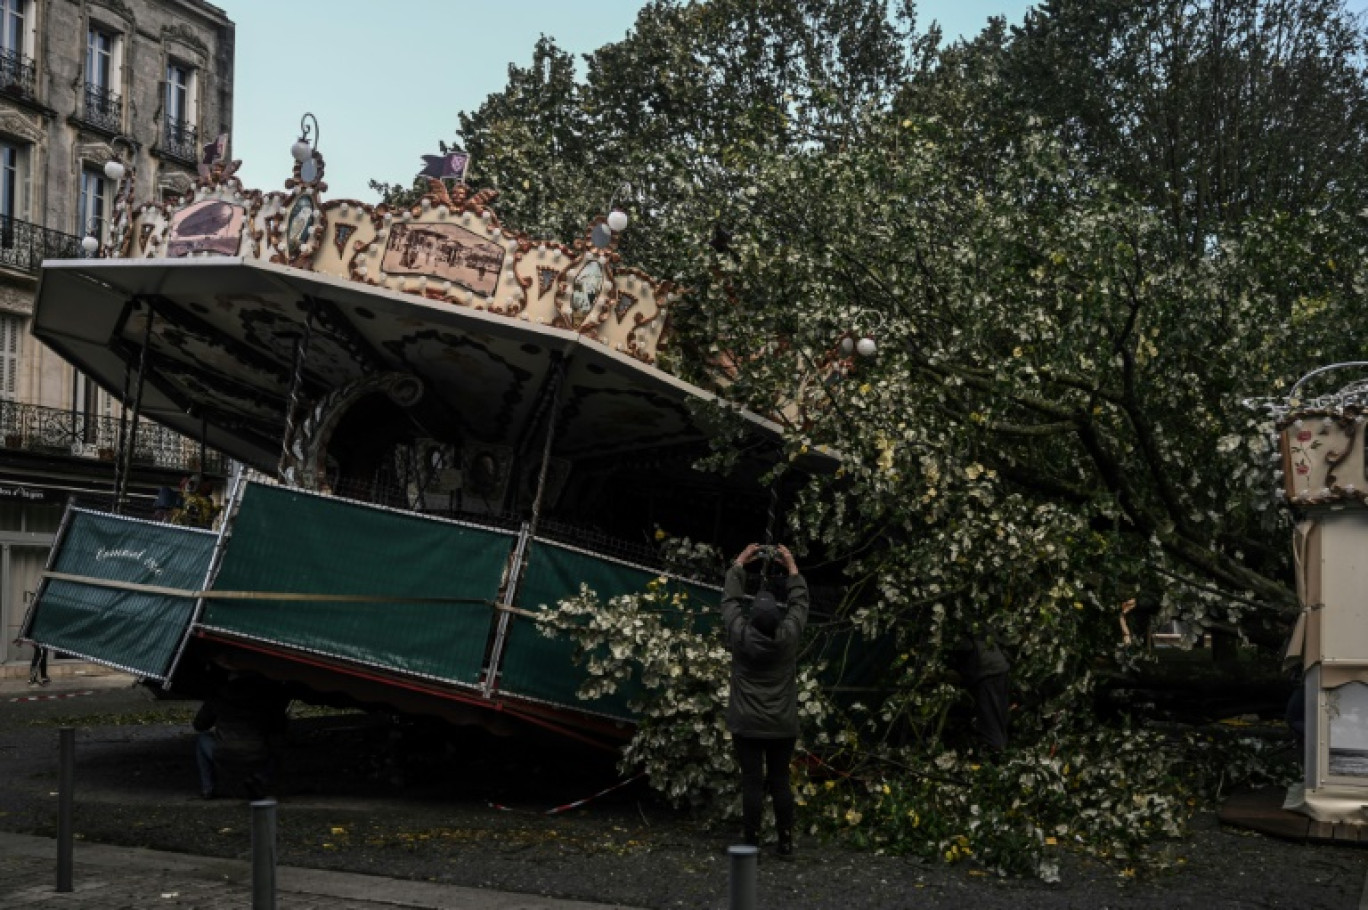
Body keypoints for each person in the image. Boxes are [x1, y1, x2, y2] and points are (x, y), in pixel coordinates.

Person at [721, 542, 809, 859]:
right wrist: (792, 567)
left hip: (746, 723)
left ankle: (751, 843)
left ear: (753, 617)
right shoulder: (787, 639)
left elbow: (730, 601)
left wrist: (740, 562)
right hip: (781, 725)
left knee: (752, 783)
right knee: (780, 780)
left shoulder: (741, 636)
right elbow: (800, 605)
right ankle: (785, 843)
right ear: (776, 619)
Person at [193, 668, 291, 800]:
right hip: (257, 753)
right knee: (276, 742)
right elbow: (279, 726)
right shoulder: (265, 697)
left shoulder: (218, 696)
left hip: (223, 753)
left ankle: (207, 788)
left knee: (202, 738)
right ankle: (261, 778)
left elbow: (199, 725)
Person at [949, 635, 1010, 753]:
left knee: (990, 719)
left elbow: (966, 647)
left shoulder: (958, 632)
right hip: (997, 665)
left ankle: (996, 753)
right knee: (998, 717)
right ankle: (1000, 750)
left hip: (987, 671)